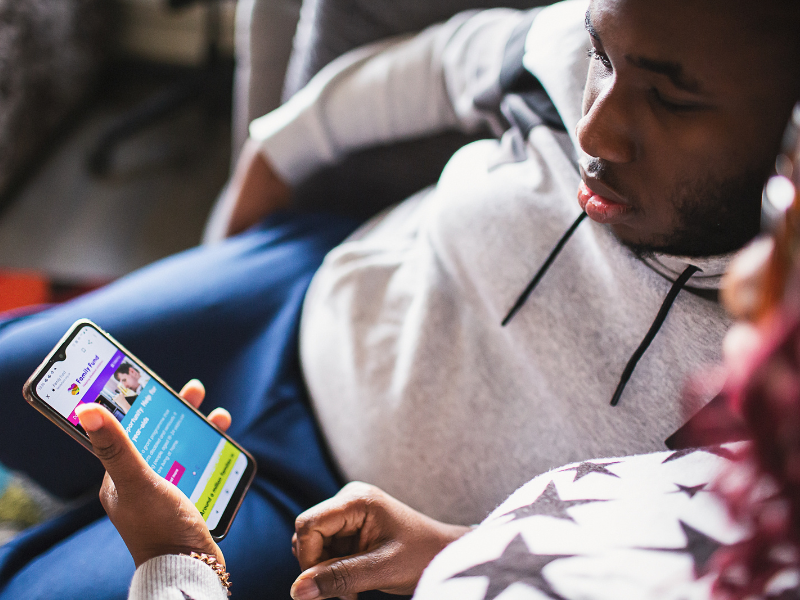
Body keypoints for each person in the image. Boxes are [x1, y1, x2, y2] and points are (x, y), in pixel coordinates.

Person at [0, 0, 798, 598]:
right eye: (603, 56)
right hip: (288, 304)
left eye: (671, 100)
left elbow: (625, 561)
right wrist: (260, 187)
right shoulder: (575, 48)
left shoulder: (773, 357)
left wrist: (461, 546)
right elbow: (432, 66)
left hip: (338, 529)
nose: (596, 129)